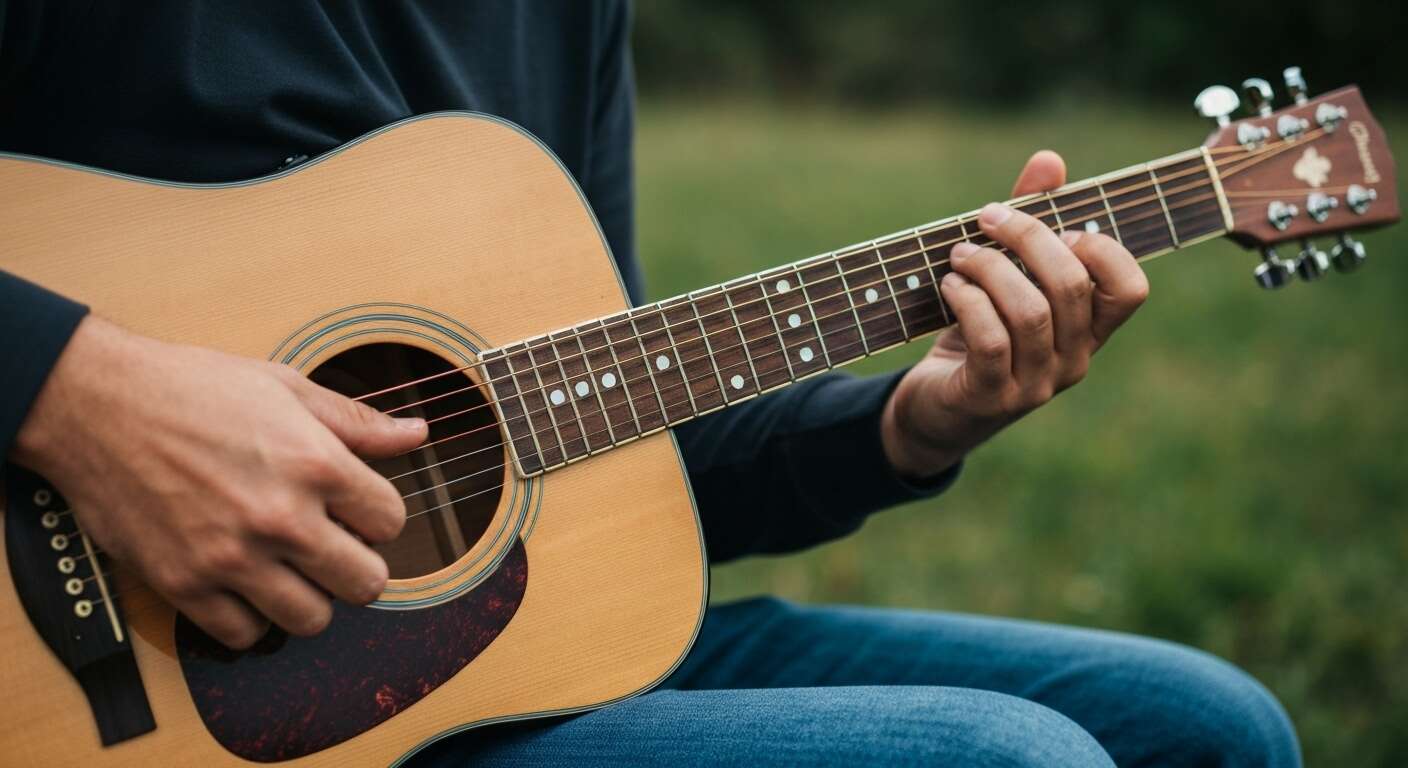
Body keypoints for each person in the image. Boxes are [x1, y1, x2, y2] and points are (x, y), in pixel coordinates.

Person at [0, 3, 1299, 766]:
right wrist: (76, 393)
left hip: (481, 673)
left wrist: (909, 422)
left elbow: (595, 442)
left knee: (1207, 727)